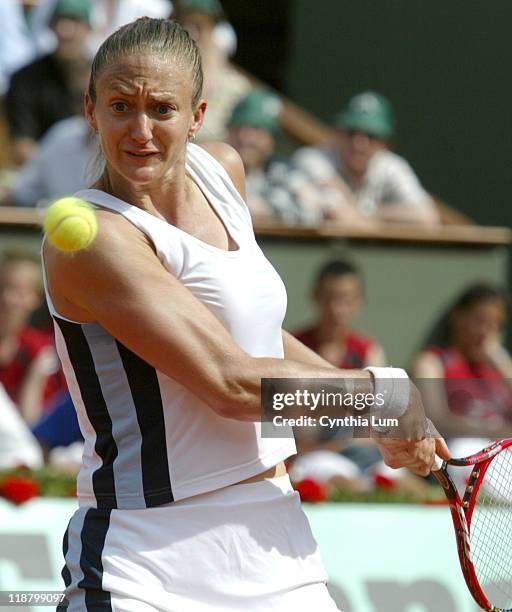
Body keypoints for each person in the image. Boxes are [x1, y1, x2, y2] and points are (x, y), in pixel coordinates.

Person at [42, 18, 448, 611]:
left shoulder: (223, 170)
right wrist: (378, 397)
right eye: (120, 106)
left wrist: (380, 409)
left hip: (275, 540)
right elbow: (230, 383)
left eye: (162, 108)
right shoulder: (91, 237)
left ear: (198, 116)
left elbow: (256, 338)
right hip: (145, 560)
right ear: (91, 109)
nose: (140, 130)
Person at [292, 91, 440, 225]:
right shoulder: (312, 159)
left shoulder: (390, 165)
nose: (359, 144)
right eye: (351, 132)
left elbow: (428, 217)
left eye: (371, 136)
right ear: (337, 133)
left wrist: (368, 213)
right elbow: (343, 218)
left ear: (385, 144)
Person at [227, 89, 368, 225]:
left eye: (257, 130)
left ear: (271, 139)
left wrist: (269, 209)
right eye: (238, 128)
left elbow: (315, 209)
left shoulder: (281, 170)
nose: (245, 138)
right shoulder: (214, 166)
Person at [412, 283, 512, 440]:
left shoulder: (497, 367)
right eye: (480, 321)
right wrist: (495, 431)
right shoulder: (432, 362)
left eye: (495, 325)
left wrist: (502, 362)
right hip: (462, 451)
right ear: (457, 316)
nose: (485, 332)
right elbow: (434, 422)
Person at [5, 0, 92, 165]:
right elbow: (22, 145)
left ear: (88, 27)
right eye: (59, 21)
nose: (65, 31)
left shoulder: (101, 75)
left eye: (74, 21)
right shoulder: (25, 79)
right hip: (43, 175)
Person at [0, 250, 64, 424]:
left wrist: (34, 378)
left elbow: (33, 426)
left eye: (18, 291)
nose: (6, 299)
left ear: (35, 299)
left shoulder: (43, 349)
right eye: (1, 287)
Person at [174, 0, 253, 142]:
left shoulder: (236, 86)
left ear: (214, 30)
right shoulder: (162, 78)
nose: (191, 33)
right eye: (183, 24)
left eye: (199, 26)